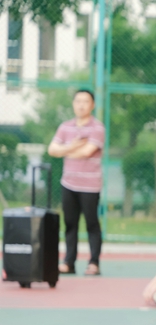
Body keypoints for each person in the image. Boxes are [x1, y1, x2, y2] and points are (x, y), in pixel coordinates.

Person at [47, 89, 106, 276]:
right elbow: (51, 150)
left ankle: (94, 263)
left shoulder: (97, 128)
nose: (81, 105)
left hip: (90, 186)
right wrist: (72, 147)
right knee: (70, 224)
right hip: (68, 184)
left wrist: (63, 150)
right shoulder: (65, 127)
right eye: (78, 101)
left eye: (85, 101)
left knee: (91, 224)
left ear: (92, 105)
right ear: (73, 104)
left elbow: (86, 152)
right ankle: (69, 263)